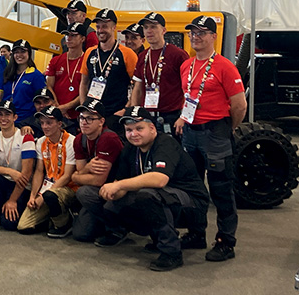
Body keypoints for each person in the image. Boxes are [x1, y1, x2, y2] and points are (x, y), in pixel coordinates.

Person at [90, 106, 210, 272]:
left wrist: (118, 185)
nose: (134, 134)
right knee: (112, 204)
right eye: (129, 130)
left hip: (193, 203)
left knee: (147, 196)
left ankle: (172, 252)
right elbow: (122, 180)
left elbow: (159, 179)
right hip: (166, 199)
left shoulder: (165, 143)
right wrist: (112, 192)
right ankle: (140, 235)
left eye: (139, 128)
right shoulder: (131, 149)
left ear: (152, 128)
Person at [176, 15, 247, 262]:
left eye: (201, 32)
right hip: (191, 133)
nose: (196, 37)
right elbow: (188, 97)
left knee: (221, 190)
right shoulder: (187, 66)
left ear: (213, 36)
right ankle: (196, 233)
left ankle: (226, 242)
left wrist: (227, 128)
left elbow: (239, 105)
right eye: (192, 32)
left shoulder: (225, 66)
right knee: (193, 188)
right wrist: (183, 119)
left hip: (215, 132)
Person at [16, 105, 77, 237]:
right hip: (47, 185)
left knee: (50, 196)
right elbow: (39, 171)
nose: (45, 126)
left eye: (49, 123)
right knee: (23, 226)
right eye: (42, 123)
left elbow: (67, 176)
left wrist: (43, 196)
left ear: (60, 124)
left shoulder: (71, 142)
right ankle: (50, 215)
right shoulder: (41, 142)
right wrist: (33, 195)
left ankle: (63, 223)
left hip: (66, 188)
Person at [70, 99, 123, 242]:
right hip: (97, 191)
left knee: (84, 192)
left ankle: (118, 228)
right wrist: (85, 169)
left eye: (90, 118)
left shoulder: (108, 138)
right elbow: (82, 173)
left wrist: (76, 176)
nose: (84, 122)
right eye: (81, 117)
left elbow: (98, 180)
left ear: (101, 121)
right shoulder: (79, 139)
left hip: (117, 190)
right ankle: (102, 223)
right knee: (81, 234)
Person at [0, 100, 37, 230]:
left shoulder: (25, 137)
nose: (3, 118)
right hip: (7, 179)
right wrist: (9, 172)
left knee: (9, 224)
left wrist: (12, 200)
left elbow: (26, 174)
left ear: (15, 117)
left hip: (22, 185)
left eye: (7, 115)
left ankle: (10, 206)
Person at [131, 12, 189, 138]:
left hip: (171, 116)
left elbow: (188, 89)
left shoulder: (178, 55)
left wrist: (184, 116)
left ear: (163, 30)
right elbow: (138, 88)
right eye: (145, 28)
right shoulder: (142, 56)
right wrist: (133, 113)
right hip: (146, 116)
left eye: (153, 27)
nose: (149, 31)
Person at [79, 9, 138, 123]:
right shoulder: (89, 52)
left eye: (104, 26)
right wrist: (83, 108)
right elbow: (83, 83)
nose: (100, 30)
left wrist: (126, 109)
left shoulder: (127, 54)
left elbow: (137, 86)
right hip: (93, 114)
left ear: (113, 27)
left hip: (116, 113)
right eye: (98, 27)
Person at [0, 39, 46, 129]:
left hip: (25, 122)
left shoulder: (36, 75)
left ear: (29, 53)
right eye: (16, 52)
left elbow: (42, 102)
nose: (19, 55)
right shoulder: (7, 73)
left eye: (23, 52)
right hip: (5, 120)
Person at [46, 22, 87, 122]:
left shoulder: (87, 60)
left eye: (73, 35)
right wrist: (57, 106)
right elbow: (49, 85)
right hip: (57, 112)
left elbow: (87, 89)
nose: (69, 38)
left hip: (78, 114)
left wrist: (66, 107)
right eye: (67, 35)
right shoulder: (56, 60)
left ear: (82, 39)